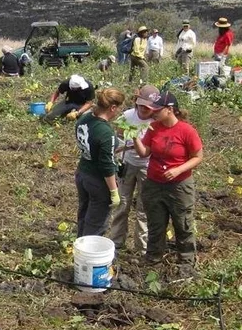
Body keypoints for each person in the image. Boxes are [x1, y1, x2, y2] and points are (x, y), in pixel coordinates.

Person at [134, 92, 204, 267]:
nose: (153, 113)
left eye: (157, 109)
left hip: (179, 186)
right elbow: (144, 153)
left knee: (183, 223)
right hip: (154, 184)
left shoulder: (187, 131)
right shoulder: (153, 128)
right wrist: (134, 137)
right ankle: (153, 259)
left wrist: (178, 170)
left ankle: (186, 262)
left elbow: (197, 157)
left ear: (170, 110)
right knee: (155, 223)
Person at [107, 85, 161, 254]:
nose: (145, 109)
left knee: (144, 208)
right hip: (128, 164)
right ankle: (117, 241)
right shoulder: (128, 116)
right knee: (122, 203)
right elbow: (120, 134)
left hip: (148, 167)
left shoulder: (157, 121)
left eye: (149, 107)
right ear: (137, 102)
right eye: (142, 105)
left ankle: (142, 246)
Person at [75, 88, 126, 237]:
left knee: (84, 214)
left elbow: (92, 146)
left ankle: (80, 243)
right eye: (119, 108)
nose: (118, 112)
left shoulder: (84, 119)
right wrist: (113, 191)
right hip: (98, 181)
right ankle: (88, 255)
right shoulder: (105, 132)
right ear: (113, 107)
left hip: (82, 174)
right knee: (96, 222)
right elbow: (107, 165)